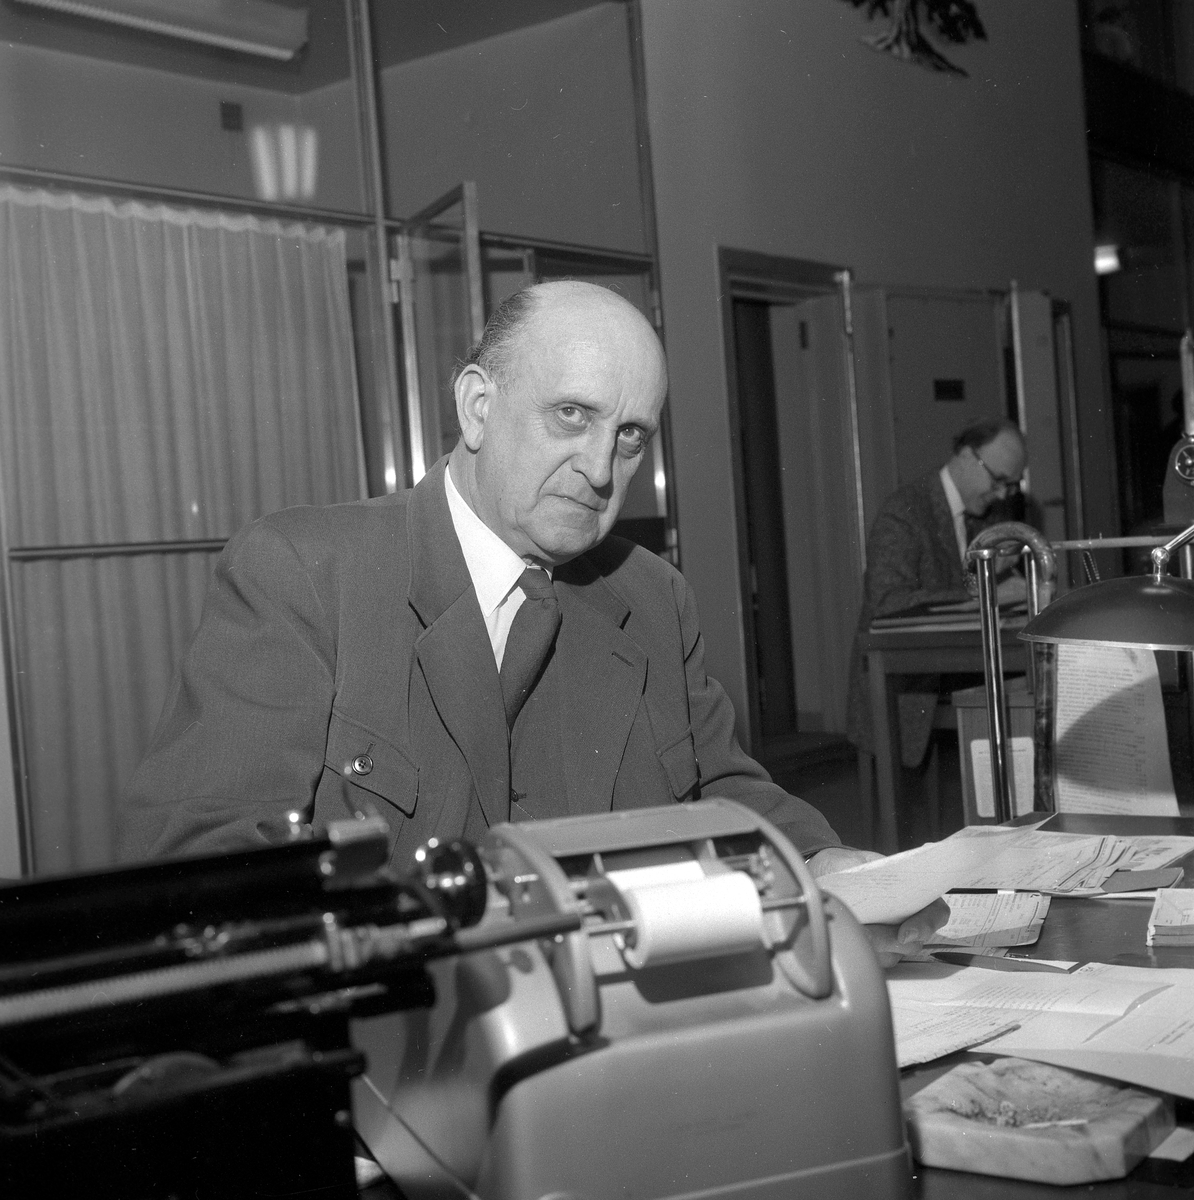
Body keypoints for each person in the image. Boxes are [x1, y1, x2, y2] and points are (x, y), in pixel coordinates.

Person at [121, 280, 944, 965]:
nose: (600, 469)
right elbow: (210, 863)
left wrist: (823, 862)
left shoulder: (651, 595)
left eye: (629, 436)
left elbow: (718, 786)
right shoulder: (308, 572)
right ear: (478, 407)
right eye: (571, 416)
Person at [848, 418, 1029, 768]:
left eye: (1011, 486)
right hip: (907, 684)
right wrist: (980, 593)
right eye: (998, 480)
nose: (1002, 494)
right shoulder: (904, 510)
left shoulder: (985, 515)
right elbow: (887, 602)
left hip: (958, 669)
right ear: (966, 455)